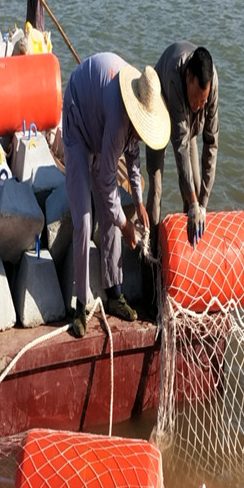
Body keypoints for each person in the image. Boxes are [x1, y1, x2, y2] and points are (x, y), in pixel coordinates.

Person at [63, 53, 171, 338]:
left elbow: (133, 157)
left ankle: (114, 293)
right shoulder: (118, 120)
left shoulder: (131, 118)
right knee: (85, 220)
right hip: (78, 117)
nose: (140, 133)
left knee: (112, 216)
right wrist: (127, 226)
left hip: (100, 123)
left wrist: (137, 199)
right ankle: (80, 304)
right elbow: (109, 183)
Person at [146, 42, 219, 249]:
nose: (198, 105)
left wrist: (201, 204)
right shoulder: (174, 76)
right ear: (188, 76)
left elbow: (212, 142)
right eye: (195, 98)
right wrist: (194, 200)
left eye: (202, 102)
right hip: (161, 109)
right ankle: (152, 247)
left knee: (195, 190)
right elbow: (180, 145)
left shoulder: (211, 86)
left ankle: (187, 250)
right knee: (156, 185)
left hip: (187, 126)